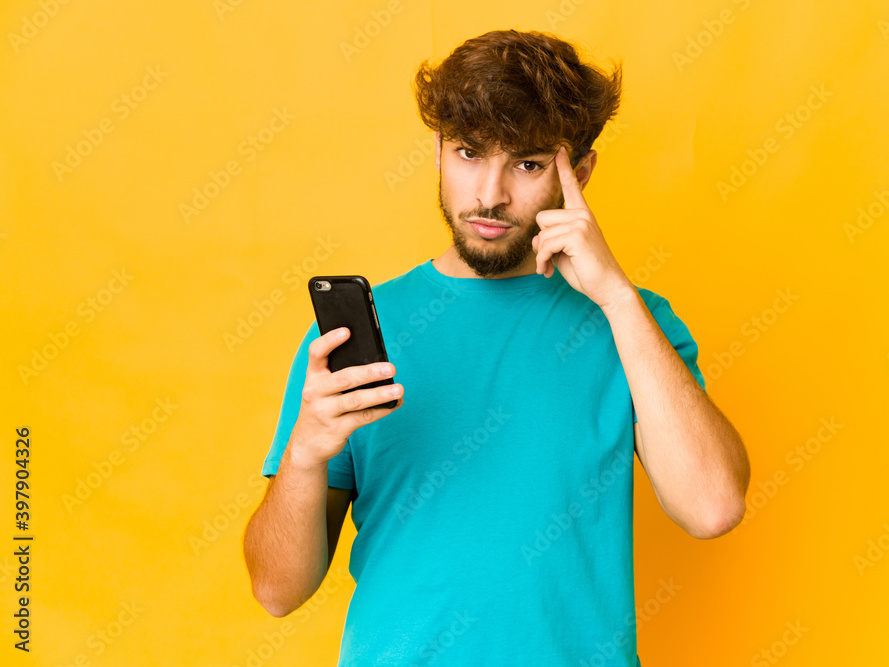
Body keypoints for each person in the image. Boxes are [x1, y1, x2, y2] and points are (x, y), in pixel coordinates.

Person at [243, 28, 750, 666]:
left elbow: (712, 508)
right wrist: (304, 454)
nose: (490, 194)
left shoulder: (631, 323)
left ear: (579, 174)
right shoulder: (352, 337)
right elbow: (277, 592)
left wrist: (618, 299)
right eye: (469, 153)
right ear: (438, 152)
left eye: (528, 164)